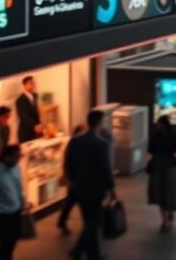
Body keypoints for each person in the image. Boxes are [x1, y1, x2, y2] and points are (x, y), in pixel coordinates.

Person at [65, 110, 116, 260]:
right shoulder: (101, 144)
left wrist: (74, 181)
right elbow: (105, 169)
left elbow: (69, 165)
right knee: (93, 223)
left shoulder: (75, 141)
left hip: (80, 188)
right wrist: (111, 188)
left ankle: (85, 253)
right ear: (100, 123)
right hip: (95, 189)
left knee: (89, 221)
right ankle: (82, 252)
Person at [147, 115, 176, 232]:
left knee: (163, 192)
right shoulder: (169, 135)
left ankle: (167, 216)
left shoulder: (162, 135)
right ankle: (165, 218)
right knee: (165, 192)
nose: (158, 126)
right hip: (166, 166)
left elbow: (151, 150)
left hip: (163, 166)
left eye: (159, 124)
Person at [57, 124, 87, 234]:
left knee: (70, 201)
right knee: (79, 201)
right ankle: (88, 223)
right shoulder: (74, 144)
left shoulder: (74, 143)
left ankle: (62, 221)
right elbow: (68, 162)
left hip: (75, 179)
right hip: (76, 179)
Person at [15, 76, 43, 143]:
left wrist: (39, 125)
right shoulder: (20, 100)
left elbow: (36, 113)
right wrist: (34, 125)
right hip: (25, 131)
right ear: (24, 85)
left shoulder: (35, 95)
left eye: (33, 83)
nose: (32, 85)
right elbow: (23, 116)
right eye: (30, 83)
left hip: (36, 130)